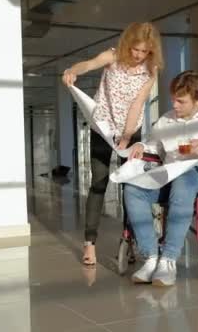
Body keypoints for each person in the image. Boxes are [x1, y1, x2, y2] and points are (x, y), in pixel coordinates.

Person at [124, 70, 198, 286]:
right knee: (133, 189)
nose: (175, 105)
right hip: (168, 172)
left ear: (197, 99)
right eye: (173, 99)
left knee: (183, 184)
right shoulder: (166, 120)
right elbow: (156, 145)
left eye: (181, 101)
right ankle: (152, 257)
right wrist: (141, 145)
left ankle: (169, 259)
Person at [62, 22, 164, 266]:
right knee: (99, 181)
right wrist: (72, 70)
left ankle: (130, 240)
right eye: (136, 50)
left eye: (145, 52)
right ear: (127, 43)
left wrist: (128, 137)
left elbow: (138, 104)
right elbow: (87, 64)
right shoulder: (113, 56)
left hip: (130, 131)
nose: (139, 56)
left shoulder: (151, 70)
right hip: (102, 128)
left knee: (131, 186)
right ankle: (90, 243)